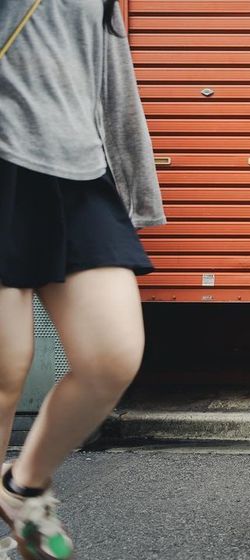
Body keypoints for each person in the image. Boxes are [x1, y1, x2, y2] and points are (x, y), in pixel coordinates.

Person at [0, 1, 165, 559]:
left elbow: (109, 71)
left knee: (111, 357)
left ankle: (22, 487)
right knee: (4, 367)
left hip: (78, 167)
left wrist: (132, 185)